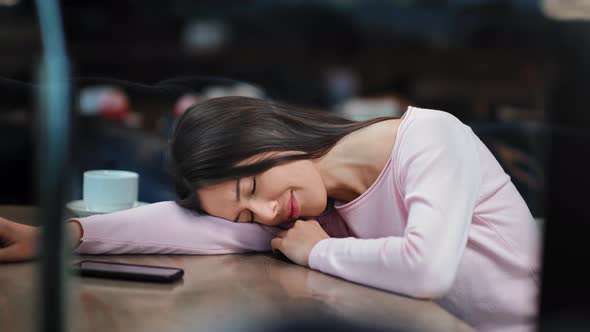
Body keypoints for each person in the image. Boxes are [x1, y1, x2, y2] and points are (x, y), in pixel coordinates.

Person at [0, 96, 540, 332]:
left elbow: (428, 270)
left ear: (267, 134)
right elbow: (187, 224)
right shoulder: (308, 212)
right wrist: (62, 235)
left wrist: (317, 251)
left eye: (252, 185)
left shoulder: (432, 137)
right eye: (246, 217)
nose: (264, 212)